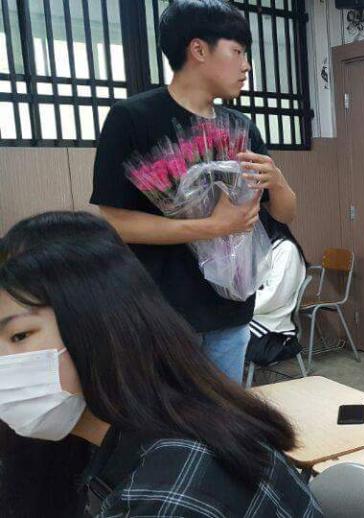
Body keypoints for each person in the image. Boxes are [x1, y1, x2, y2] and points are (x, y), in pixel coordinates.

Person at [0, 211, 321, 517]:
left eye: (19, 336)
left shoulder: (173, 488)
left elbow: (269, 298)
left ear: (101, 324)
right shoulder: (86, 438)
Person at [90, 0, 297, 382]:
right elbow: (115, 223)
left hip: (231, 312)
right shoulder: (132, 118)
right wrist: (211, 227)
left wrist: (279, 181)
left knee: (224, 413)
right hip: (160, 315)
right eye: (237, 52)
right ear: (198, 50)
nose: (247, 66)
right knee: (169, 415)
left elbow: (284, 213)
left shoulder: (242, 127)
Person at [247, 213, 310, 367]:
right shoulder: (260, 248)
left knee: (225, 335)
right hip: (257, 313)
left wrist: (239, 308)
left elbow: (274, 297)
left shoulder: (286, 249)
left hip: (273, 322)